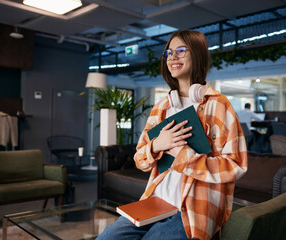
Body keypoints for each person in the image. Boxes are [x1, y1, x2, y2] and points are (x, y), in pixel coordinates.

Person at [97, 30, 247, 240]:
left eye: (181, 51)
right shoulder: (162, 108)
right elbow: (140, 160)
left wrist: (184, 156)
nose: (173, 57)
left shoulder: (219, 105)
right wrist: (157, 145)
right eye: (168, 53)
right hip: (155, 202)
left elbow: (236, 166)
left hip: (191, 211)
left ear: (198, 55)